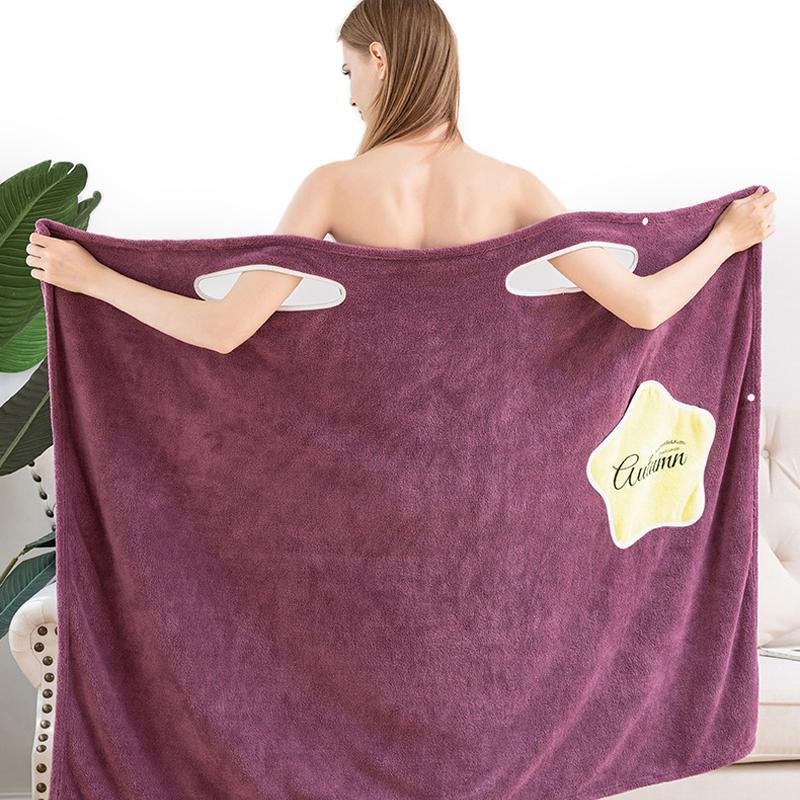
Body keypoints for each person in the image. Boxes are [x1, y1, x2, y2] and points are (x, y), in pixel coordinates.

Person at [25, 0, 776, 353]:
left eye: (347, 71)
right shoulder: (513, 187)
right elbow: (644, 308)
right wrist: (725, 240)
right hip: (488, 485)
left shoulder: (332, 187)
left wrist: (94, 280)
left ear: (379, 59)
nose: (349, 94)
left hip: (362, 495)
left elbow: (224, 331)